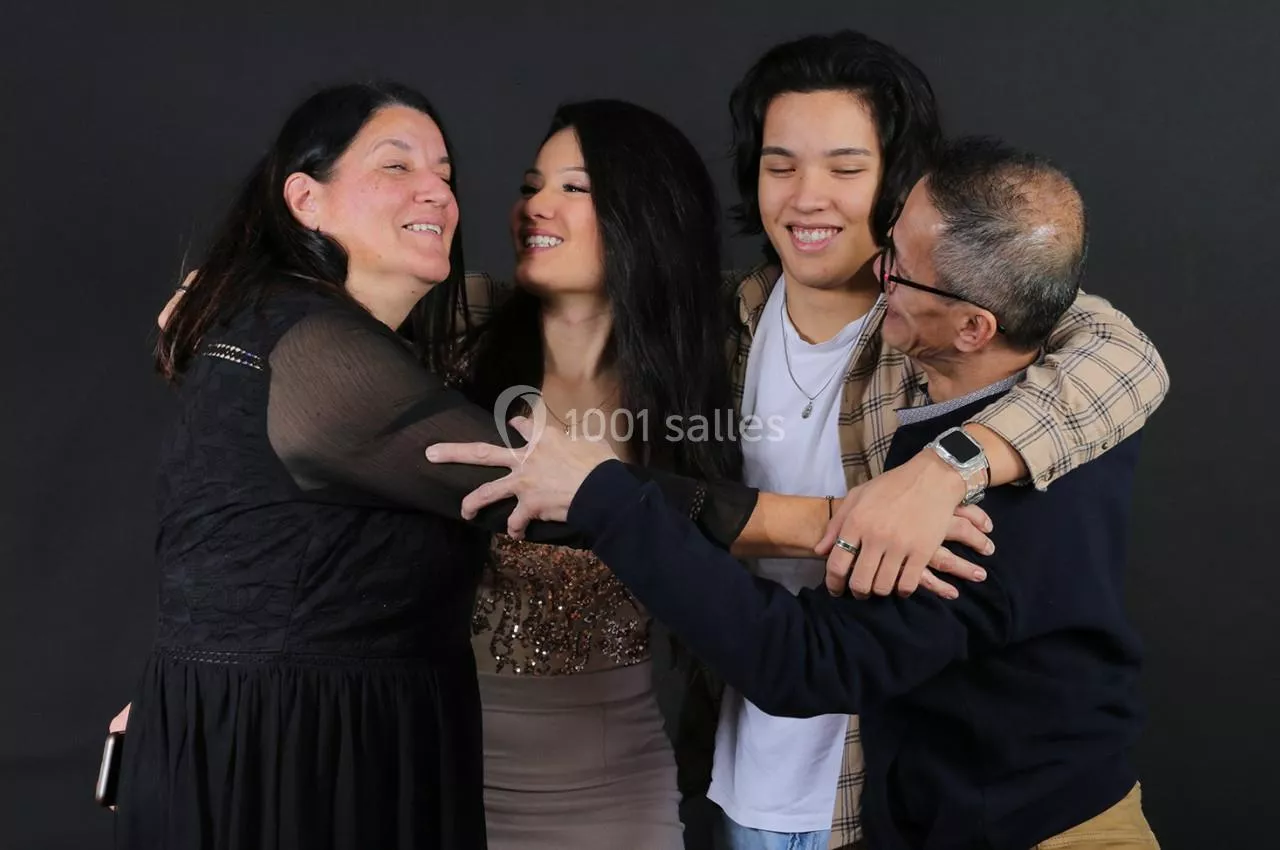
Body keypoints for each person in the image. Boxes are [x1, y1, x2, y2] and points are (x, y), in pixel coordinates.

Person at [429, 135, 1162, 849]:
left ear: (973, 327)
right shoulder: (960, 391)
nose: (879, 270)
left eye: (900, 270)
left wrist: (604, 495)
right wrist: (947, 463)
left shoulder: (994, 504)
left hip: (1041, 831)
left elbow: (802, 661)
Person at [114, 81, 755, 850]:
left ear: (648, 215)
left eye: (574, 188)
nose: (534, 206)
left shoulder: (718, 348)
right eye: (530, 186)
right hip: (443, 749)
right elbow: (296, 371)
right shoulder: (453, 331)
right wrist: (203, 687)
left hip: (613, 768)